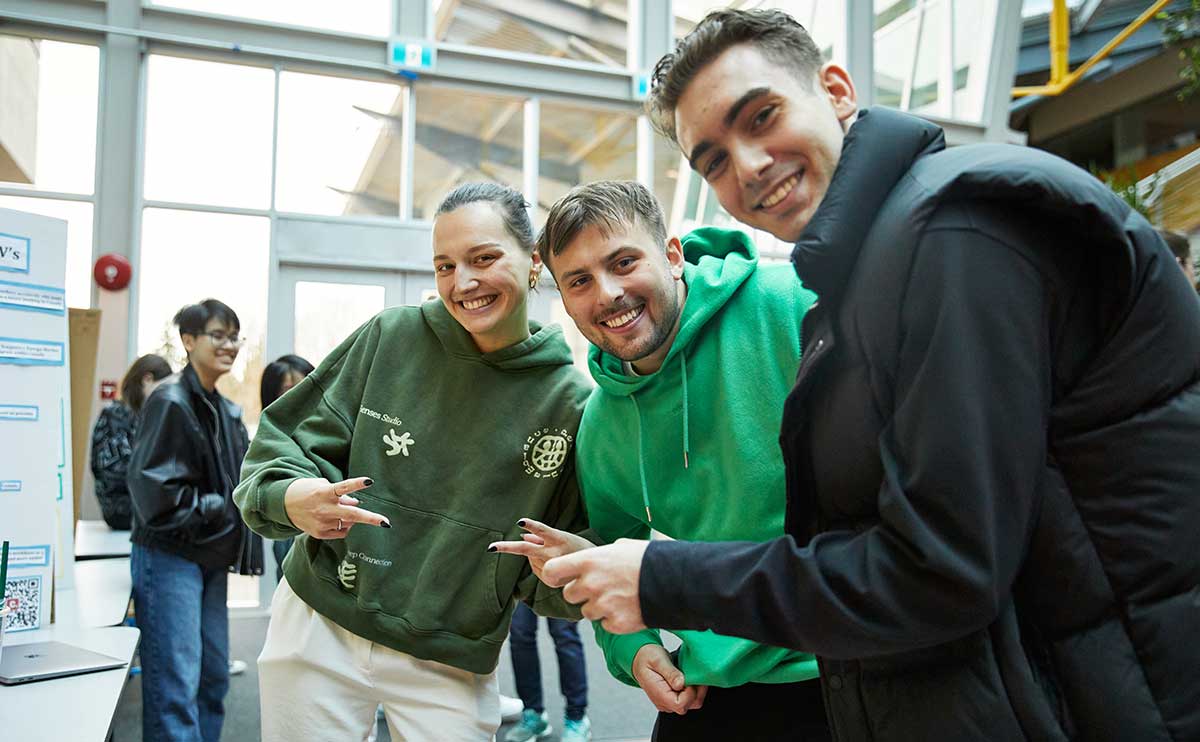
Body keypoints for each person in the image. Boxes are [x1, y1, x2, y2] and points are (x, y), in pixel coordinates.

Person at [536, 9, 1200, 741]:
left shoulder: (950, 232)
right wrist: (630, 622)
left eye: (761, 116)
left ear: (838, 89)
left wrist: (662, 580)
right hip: (960, 678)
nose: (749, 166)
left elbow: (939, 567)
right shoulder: (870, 270)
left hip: (1073, 691)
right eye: (713, 160)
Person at [233, 182, 592, 742]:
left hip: (449, 656)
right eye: (444, 265)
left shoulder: (571, 402)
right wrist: (291, 497)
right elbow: (282, 446)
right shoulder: (390, 336)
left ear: (533, 264)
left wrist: (571, 573)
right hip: (318, 626)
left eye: (483, 258)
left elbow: (563, 565)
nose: (463, 282)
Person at [494, 180, 826, 741]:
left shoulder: (789, 304)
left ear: (672, 255)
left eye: (624, 262)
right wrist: (637, 648)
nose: (607, 294)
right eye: (579, 281)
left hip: (843, 657)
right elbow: (605, 555)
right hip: (714, 680)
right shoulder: (600, 423)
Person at [127, 299, 264, 742]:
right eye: (217, 335)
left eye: (234, 336)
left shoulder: (222, 408)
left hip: (208, 554)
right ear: (188, 341)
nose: (229, 345)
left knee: (212, 679)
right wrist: (220, 507)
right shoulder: (170, 399)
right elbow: (155, 495)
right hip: (169, 555)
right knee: (175, 685)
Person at [90, 353, 171, 530]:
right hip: (122, 512)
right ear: (147, 380)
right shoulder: (115, 416)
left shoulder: (146, 417)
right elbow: (114, 472)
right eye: (163, 388)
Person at [258, 354, 316, 582]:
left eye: (306, 386)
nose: (298, 396)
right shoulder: (272, 440)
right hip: (291, 531)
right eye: (288, 389)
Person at [504, 602, 590, 742]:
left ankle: (577, 717)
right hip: (519, 578)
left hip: (561, 581)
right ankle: (533, 714)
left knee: (564, 634)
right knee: (520, 632)